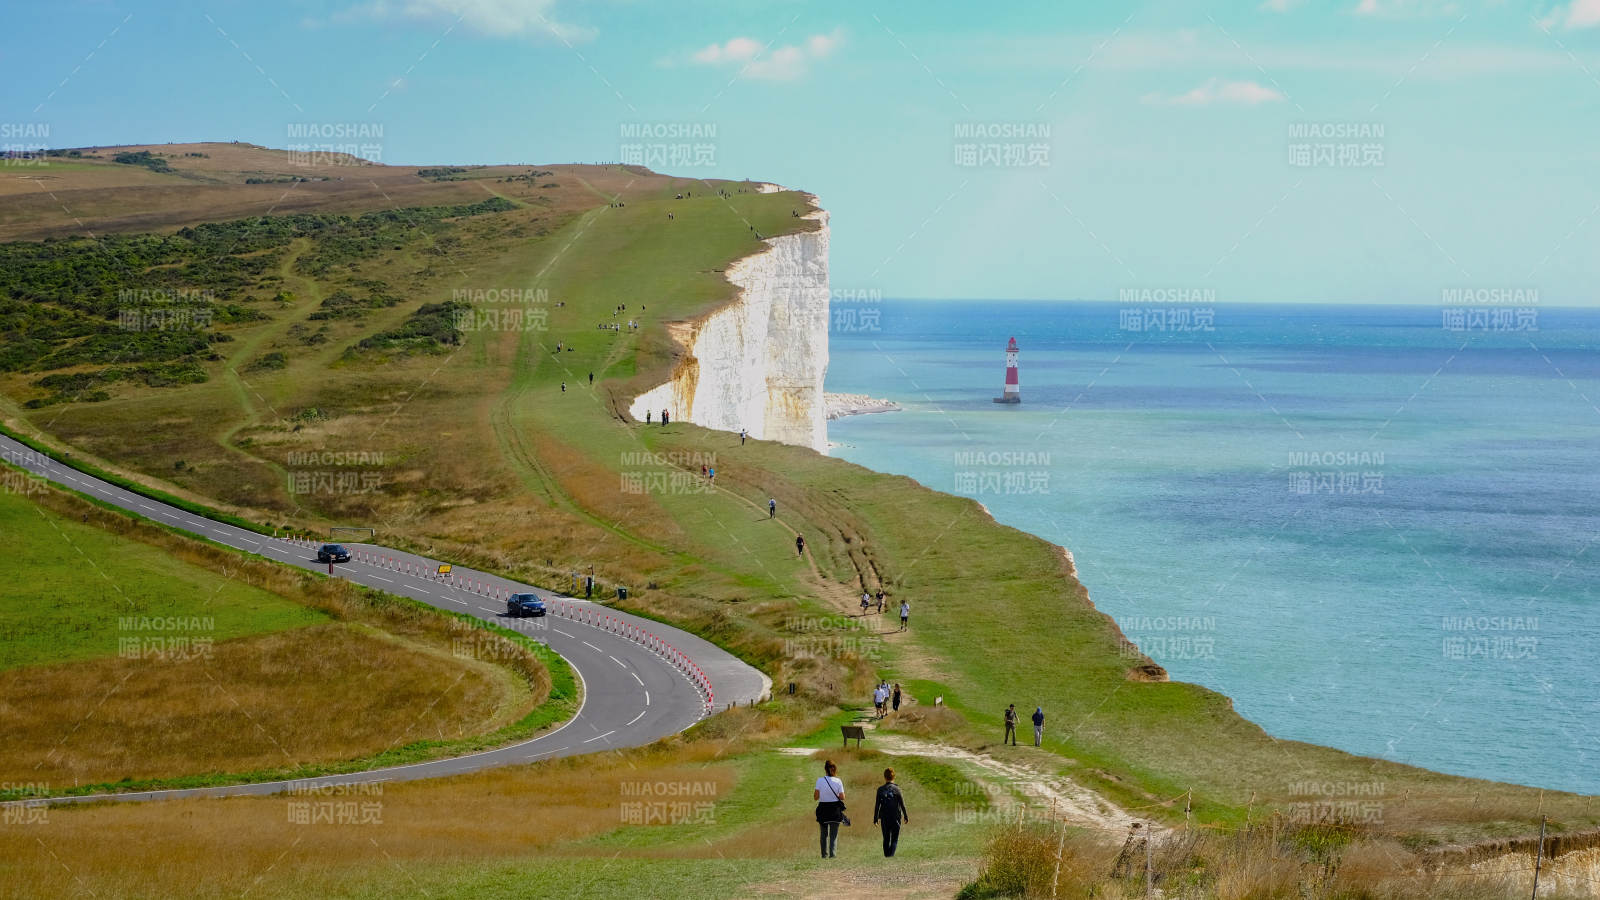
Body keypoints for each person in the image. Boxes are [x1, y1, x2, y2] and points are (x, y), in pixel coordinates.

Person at [873, 768, 909, 858]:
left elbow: (877, 805)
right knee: (894, 838)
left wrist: (875, 818)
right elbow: (902, 804)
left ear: (885, 777)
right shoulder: (897, 789)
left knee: (886, 838)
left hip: (884, 817)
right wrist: (905, 816)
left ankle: (887, 856)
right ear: (894, 777)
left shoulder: (880, 790)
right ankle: (890, 856)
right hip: (895, 817)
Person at [814, 760, 846, 858]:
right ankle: (833, 855)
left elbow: (816, 797)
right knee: (833, 835)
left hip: (823, 809)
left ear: (825, 769)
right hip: (835, 810)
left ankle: (824, 855)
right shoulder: (838, 781)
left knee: (823, 835)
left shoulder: (820, 780)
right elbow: (842, 797)